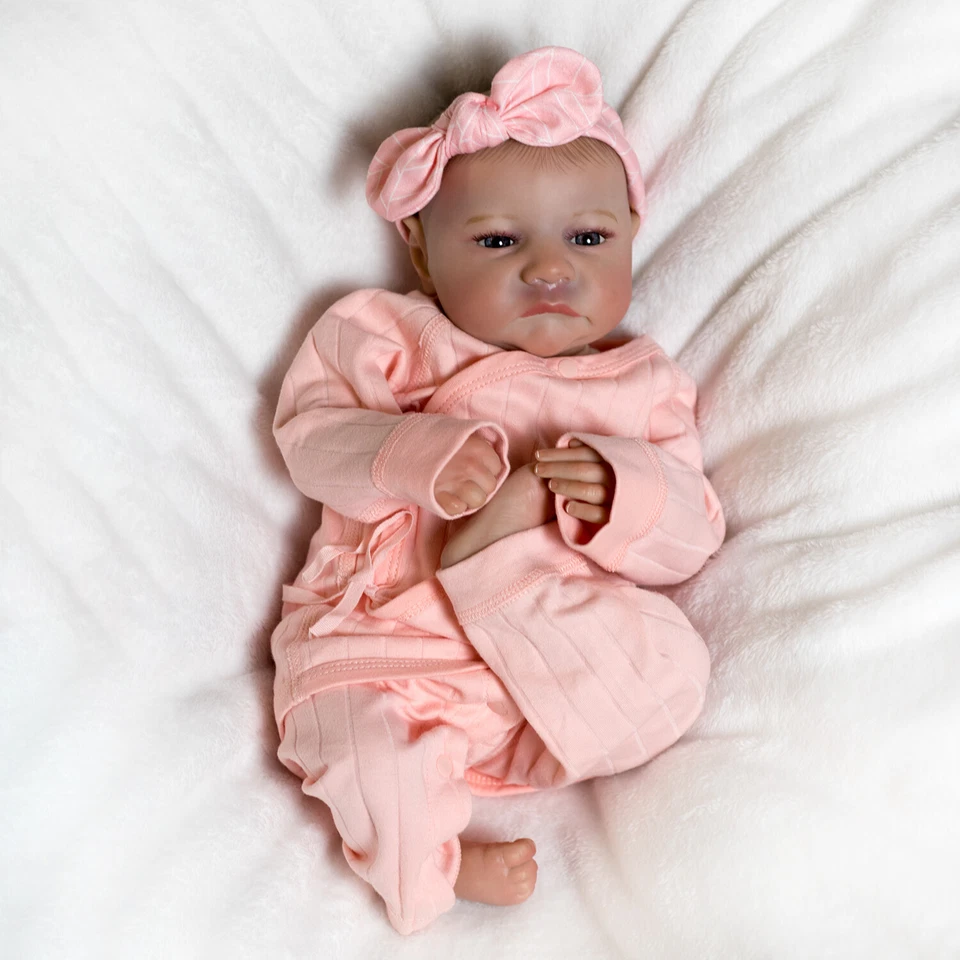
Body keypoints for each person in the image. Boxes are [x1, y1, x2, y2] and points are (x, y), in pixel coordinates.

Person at [269, 46, 725, 935]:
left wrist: (621, 491)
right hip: (384, 655)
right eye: (498, 240)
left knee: (678, 680)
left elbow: (691, 535)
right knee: (356, 754)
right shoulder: (388, 335)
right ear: (423, 253)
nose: (549, 269)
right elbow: (310, 439)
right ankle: (430, 875)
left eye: (588, 239)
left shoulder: (643, 388)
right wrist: (415, 451)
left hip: (543, 673)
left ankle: (497, 562)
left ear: (632, 234)